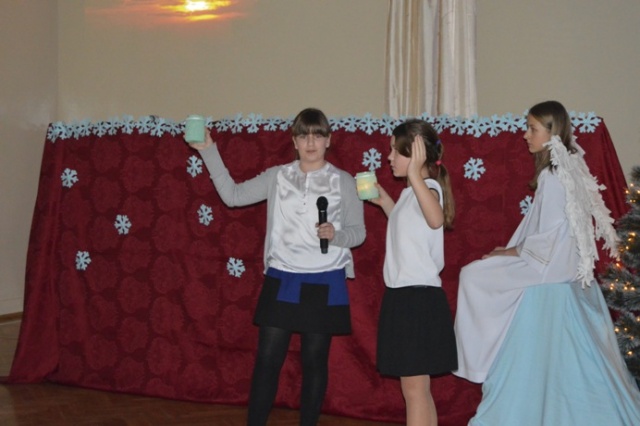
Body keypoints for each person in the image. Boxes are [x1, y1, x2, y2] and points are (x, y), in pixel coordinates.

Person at [453, 100, 640, 425]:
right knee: (480, 274)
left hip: (549, 269)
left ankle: (477, 359)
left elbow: (547, 237)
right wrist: (511, 250)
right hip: (562, 268)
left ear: (552, 133)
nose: (526, 135)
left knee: (473, 276)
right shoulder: (566, 169)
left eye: (532, 129)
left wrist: (508, 253)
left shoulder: (553, 177)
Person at [186, 108, 366, 426]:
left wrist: (336, 235)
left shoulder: (344, 181)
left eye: (318, 135)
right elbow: (233, 196)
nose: (310, 142)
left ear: (328, 140)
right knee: (267, 361)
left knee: (314, 363)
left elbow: (358, 233)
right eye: (303, 136)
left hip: (326, 280)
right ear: (294, 141)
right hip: (283, 277)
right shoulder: (278, 177)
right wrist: (209, 151)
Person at [368, 119, 457, 426]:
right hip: (405, 298)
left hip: (416, 300)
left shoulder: (427, 187)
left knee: (415, 390)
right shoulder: (410, 193)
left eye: (396, 151)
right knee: (418, 390)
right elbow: (413, 230)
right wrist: (385, 202)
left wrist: (416, 174)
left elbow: (435, 219)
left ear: (416, 154)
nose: (389, 157)